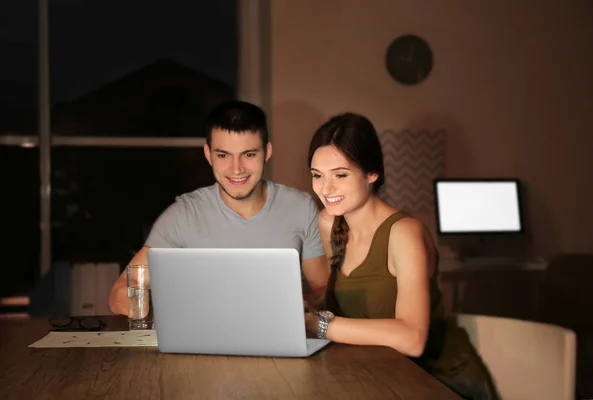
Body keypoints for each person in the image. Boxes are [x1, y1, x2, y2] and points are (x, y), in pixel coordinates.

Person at [304, 113, 498, 400]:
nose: (325, 188)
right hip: (377, 373)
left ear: (372, 173)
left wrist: (319, 325)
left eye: (340, 175)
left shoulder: (405, 234)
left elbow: (412, 339)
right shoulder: (329, 223)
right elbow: (336, 300)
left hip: (441, 381)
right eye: (317, 175)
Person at [108, 100, 329, 316]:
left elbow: (322, 290)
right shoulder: (184, 213)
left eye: (249, 154)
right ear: (208, 155)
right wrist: (146, 306)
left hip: (278, 338)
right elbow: (124, 287)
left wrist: (295, 307)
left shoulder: (300, 207)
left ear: (267, 152)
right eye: (223, 155)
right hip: (199, 340)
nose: (236, 169)